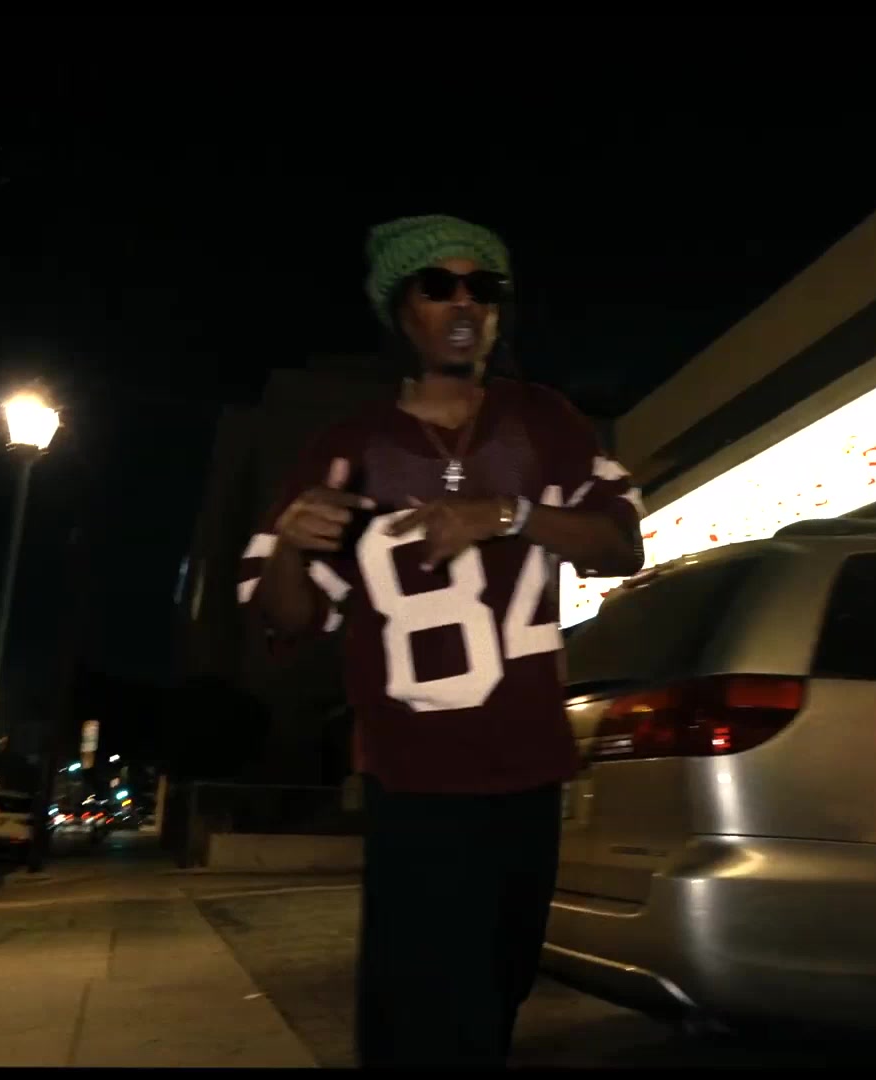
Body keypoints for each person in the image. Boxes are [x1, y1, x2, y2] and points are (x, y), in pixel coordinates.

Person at [238, 214, 646, 1067]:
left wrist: (508, 514)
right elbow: (288, 618)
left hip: (531, 767)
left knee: (498, 992)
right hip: (413, 774)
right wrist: (293, 548)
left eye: (482, 287)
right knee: (425, 1011)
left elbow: (621, 544)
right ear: (401, 309)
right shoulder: (347, 446)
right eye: (439, 286)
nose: (464, 303)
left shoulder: (544, 421)